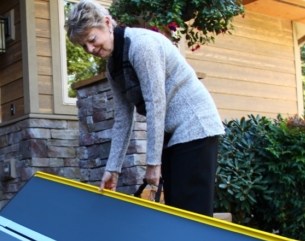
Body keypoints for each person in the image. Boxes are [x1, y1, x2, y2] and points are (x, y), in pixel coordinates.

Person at [66, 0, 224, 216]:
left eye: (92, 40)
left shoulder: (141, 46)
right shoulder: (114, 67)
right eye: (84, 45)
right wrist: (112, 169)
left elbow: (155, 102)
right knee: (176, 212)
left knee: (192, 215)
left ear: (107, 23)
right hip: (173, 135)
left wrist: (153, 162)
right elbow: (123, 120)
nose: (90, 49)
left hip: (195, 125)